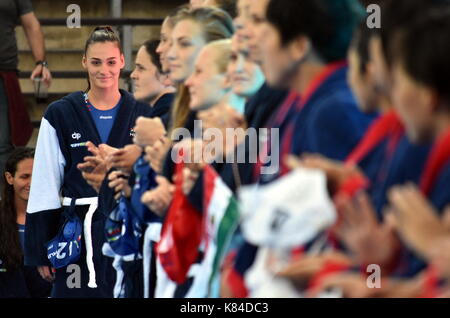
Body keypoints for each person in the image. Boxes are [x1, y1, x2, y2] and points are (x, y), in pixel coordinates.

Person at [24, 26, 154, 298]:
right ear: (84, 62)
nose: (103, 70)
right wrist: (41, 250)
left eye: (110, 62)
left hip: (128, 229)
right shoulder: (60, 113)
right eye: (95, 62)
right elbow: (46, 184)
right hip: (76, 234)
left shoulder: (144, 113)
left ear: (122, 61)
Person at [0, 0, 52, 189]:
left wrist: (41, 63)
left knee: (3, 144)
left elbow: (31, 23)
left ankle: (3, 205)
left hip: (4, 72)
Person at [0, 147, 52, 298]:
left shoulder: (61, 217)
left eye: (37, 176)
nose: (32, 183)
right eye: (25, 176)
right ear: (10, 178)